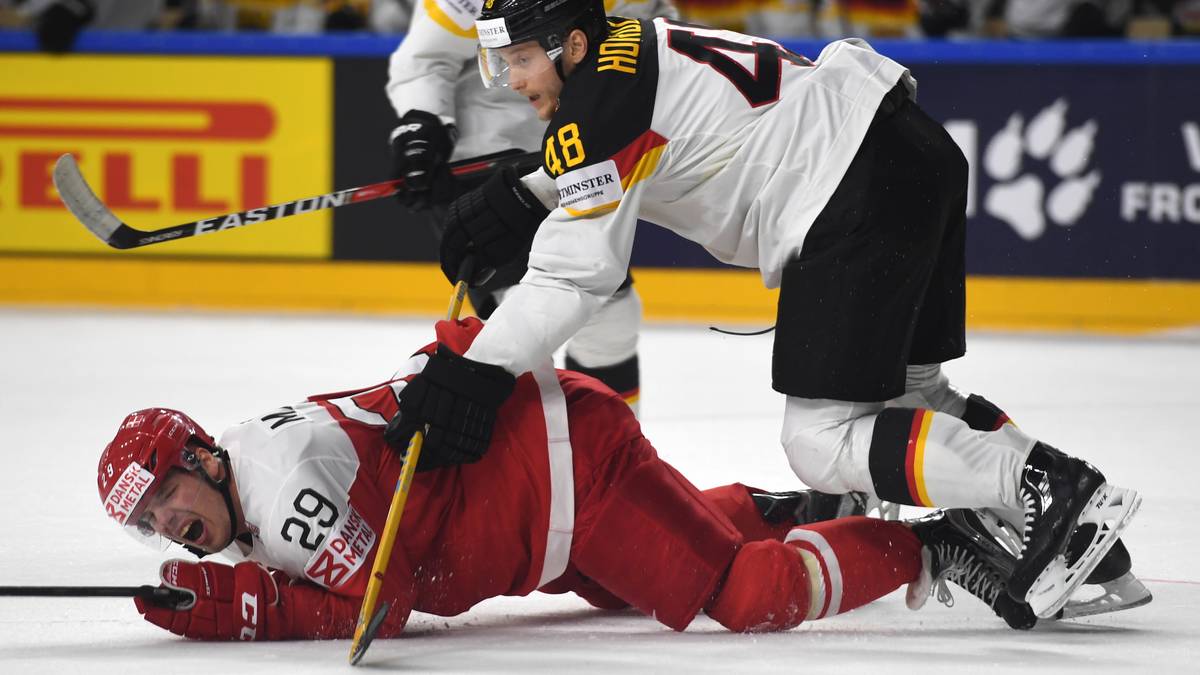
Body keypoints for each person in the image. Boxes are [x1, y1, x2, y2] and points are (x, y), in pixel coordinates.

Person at [390, 0, 1146, 621]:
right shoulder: (633, 42)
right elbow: (647, 140)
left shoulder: (596, 111)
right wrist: (527, 193)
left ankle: (1048, 486)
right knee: (914, 396)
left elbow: (574, 277)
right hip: (907, 150)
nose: (511, 81)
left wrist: (476, 370)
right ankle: (1080, 532)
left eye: (521, 59)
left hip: (847, 193)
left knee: (821, 442)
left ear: (572, 45)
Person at [96, 317, 1033, 641]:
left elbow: (379, 602)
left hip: (563, 478)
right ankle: (805, 507)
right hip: (542, 497)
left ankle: (928, 544)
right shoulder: (250, 473)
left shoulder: (276, 487)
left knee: (746, 595)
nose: (167, 523)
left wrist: (241, 607)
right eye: (149, 521)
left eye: (165, 496)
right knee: (646, 575)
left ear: (199, 457)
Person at [384, 0, 678, 412]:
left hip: (579, 143)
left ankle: (612, 443)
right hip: (488, 155)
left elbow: (656, 37)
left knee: (610, 318)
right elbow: (426, 59)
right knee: (525, 325)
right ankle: (534, 447)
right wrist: (422, 124)